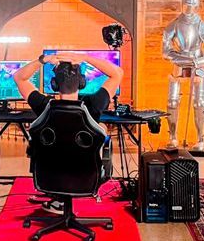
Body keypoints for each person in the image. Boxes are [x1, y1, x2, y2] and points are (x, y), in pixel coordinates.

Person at [13, 52, 124, 213]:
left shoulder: (44, 106)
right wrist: (86, 57)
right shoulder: (93, 104)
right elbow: (117, 73)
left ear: (54, 84)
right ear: (82, 83)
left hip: (49, 176)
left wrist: (43, 59)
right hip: (85, 176)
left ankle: (57, 199)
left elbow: (19, 77)